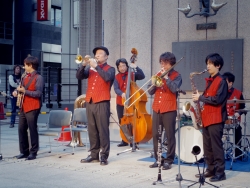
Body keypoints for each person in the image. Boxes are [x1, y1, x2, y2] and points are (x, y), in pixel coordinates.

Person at [76, 46, 115, 166]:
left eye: (100, 53)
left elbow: (107, 77)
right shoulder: (91, 69)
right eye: (96, 54)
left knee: (103, 130)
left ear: (106, 56)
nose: (97, 55)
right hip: (90, 101)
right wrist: (83, 65)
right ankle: (94, 155)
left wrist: (96, 67)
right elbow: (79, 76)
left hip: (102, 102)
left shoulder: (110, 69)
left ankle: (104, 156)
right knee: (92, 130)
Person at [192, 53, 227, 182]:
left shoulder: (222, 81)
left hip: (216, 119)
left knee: (216, 147)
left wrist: (200, 97)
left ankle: (220, 173)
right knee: (207, 147)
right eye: (207, 63)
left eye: (211, 64)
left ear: (218, 65)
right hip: (207, 118)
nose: (208, 66)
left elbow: (218, 100)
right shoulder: (210, 80)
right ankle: (210, 170)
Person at [148, 52, 182, 170]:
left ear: (171, 63)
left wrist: (166, 78)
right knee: (156, 134)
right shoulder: (158, 74)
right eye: (161, 63)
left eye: (165, 63)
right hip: (157, 107)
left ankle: (169, 159)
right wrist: (153, 84)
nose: (163, 65)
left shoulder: (177, 76)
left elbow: (174, 89)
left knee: (169, 135)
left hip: (169, 108)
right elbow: (150, 92)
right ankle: (158, 159)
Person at [13, 56, 44, 160]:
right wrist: (16, 91)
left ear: (31, 65)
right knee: (21, 129)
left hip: (33, 106)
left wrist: (24, 91)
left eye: (25, 64)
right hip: (23, 106)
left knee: (32, 129)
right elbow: (21, 89)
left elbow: (38, 93)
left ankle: (33, 152)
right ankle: (24, 151)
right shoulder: (24, 76)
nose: (24, 66)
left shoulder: (39, 78)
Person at [114, 58, 145, 147]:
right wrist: (121, 93)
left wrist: (136, 67)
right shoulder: (116, 77)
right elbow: (116, 89)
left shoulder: (132, 74)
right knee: (122, 121)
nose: (122, 68)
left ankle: (134, 140)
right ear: (118, 68)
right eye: (120, 66)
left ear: (127, 66)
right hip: (120, 102)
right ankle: (124, 139)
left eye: (123, 65)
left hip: (132, 102)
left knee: (133, 121)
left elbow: (142, 76)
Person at [223, 72, 245, 158]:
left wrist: (238, 113)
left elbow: (243, 107)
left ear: (231, 82)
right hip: (222, 119)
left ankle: (238, 152)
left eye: (226, 82)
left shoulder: (238, 93)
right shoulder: (220, 92)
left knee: (238, 129)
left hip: (234, 119)